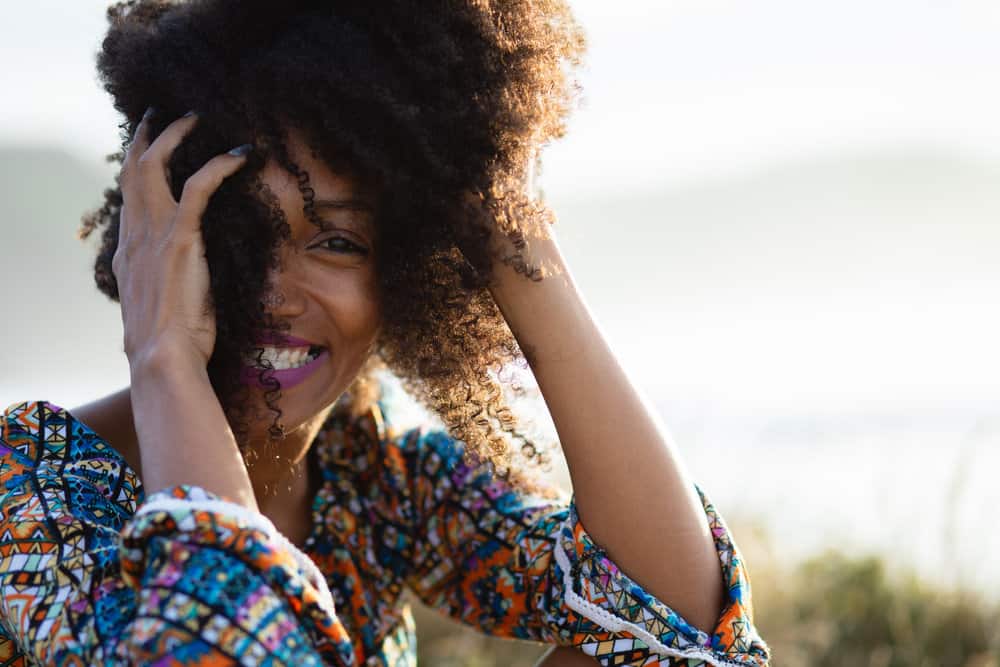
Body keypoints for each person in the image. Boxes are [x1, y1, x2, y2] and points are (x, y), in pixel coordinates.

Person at [0, 1, 770, 665]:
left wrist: (508, 233)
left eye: (337, 241)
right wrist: (163, 358)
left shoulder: (370, 466)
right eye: (236, 231)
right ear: (153, 244)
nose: (272, 292)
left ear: (407, 276)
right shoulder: (26, 482)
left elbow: (682, 618)